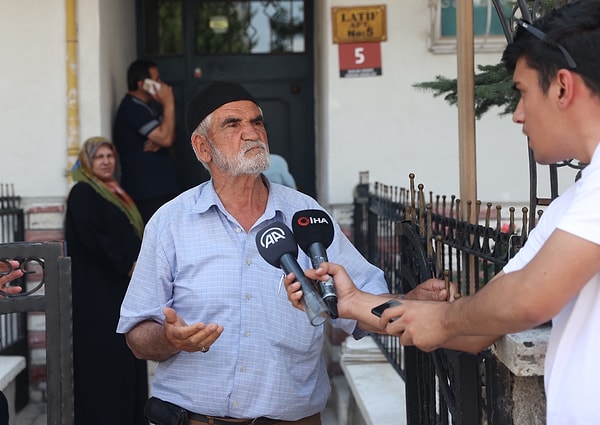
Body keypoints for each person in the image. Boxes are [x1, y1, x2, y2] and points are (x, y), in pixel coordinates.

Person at [288, 2, 600, 423]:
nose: (517, 115)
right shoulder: (572, 205)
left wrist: (446, 317)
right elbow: (478, 328)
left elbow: (526, 299)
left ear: (562, 87)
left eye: (523, 92)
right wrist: (355, 303)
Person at [116, 81, 451, 425]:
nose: (251, 133)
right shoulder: (171, 223)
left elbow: (361, 304)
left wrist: (408, 301)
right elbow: (137, 335)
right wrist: (170, 339)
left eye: (257, 122)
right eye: (233, 124)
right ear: (203, 148)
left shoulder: (306, 216)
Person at [65, 136, 148, 425]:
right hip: (97, 293)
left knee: (125, 356)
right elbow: (94, 237)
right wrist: (125, 265)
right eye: (98, 156)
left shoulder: (115, 192)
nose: (105, 161)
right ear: (88, 162)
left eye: (109, 156)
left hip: (120, 288)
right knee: (103, 359)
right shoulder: (84, 192)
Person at [113, 59, 179, 223]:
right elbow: (166, 137)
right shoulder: (132, 108)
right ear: (142, 84)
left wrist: (161, 139)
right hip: (147, 193)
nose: (161, 84)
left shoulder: (146, 106)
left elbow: (169, 135)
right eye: (156, 80)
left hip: (158, 190)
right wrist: (169, 103)